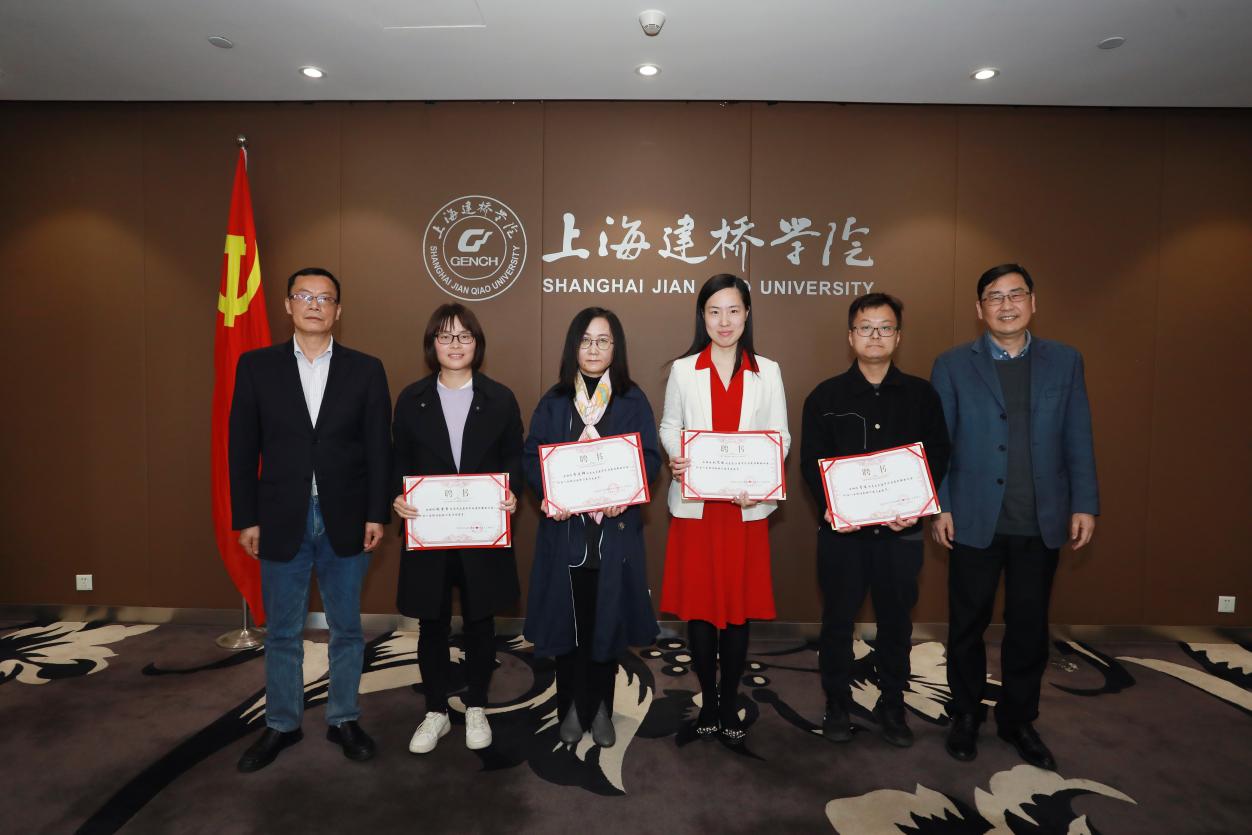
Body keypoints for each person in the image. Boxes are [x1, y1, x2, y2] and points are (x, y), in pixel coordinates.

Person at [931, 263, 1098, 770]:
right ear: (979, 309)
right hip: (973, 517)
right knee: (967, 624)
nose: (1006, 305)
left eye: (1015, 294)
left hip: (1040, 519)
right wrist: (941, 505)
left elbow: (1078, 434)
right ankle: (965, 713)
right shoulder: (952, 365)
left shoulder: (1065, 361)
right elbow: (940, 444)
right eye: (994, 297)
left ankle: (1018, 718)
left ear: (1033, 301)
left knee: (1029, 627)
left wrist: (1085, 502)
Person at [229, 267, 391, 772]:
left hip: (348, 517)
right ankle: (282, 723)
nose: (314, 304)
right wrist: (247, 517)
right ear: (288, 305)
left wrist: (376, 513)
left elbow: (379, 449)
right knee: (282, 632)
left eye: (325, 298)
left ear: (338, 310)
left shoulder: (366, 369)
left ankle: (344, 718)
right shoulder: (256, 366)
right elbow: (241, 447)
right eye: (305, 295)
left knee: (346, 629)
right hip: (281, 517)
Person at [799, 293, 949, 748]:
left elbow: (937, 455)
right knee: (837, 621)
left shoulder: (922, 395)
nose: (875, 336)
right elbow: (811, 462)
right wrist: (831, 505)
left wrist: (918, 506)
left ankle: (892, 703)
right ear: (851, 336)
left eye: (885, 328)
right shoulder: (825, 396)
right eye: (866, 328)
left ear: (898, 337)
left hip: (901, 534)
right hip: (842, 535)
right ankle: (836, 702)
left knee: (896, 622)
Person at [659, 274, 790, 745]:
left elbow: (780, 436)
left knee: (737, 612)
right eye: (714, 311)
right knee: (699, 611)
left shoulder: (767, 371)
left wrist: (762, 481)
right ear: (703, 316)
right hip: (697, 510)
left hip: (742, 512)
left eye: (733, 310)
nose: (724, 321)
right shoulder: (683, 370)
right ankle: (709, 702)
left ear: (747, 314)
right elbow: (670, 425)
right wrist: (677, 456)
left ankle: (730, 699)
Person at [522, 307, 661, 748]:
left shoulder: (632, 400)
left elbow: (650, 457)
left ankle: (599, 705)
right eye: (585, 340)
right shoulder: (555, 400)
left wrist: (630, 490)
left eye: (603, 340)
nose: (594, 348)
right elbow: (532, 456)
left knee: (606, 626)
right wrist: (549, 493)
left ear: (616, 348)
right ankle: (569, 706)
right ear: (573, 346)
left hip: (613, 537)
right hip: (566, 536)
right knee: (568, 626)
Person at [391, 304, 523, 755]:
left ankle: (477, 705)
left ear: (477, 344)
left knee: (480, 621)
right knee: (431, 623)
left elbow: (514, 455)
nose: (455, 344)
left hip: (480, 530)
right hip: (428, 531)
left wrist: (512, 491)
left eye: (464, 336)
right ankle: (435, 710)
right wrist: (398, 495)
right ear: (432, 344)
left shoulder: (500, 398)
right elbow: (398, 459)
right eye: (445, 336)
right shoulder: (411, 398)